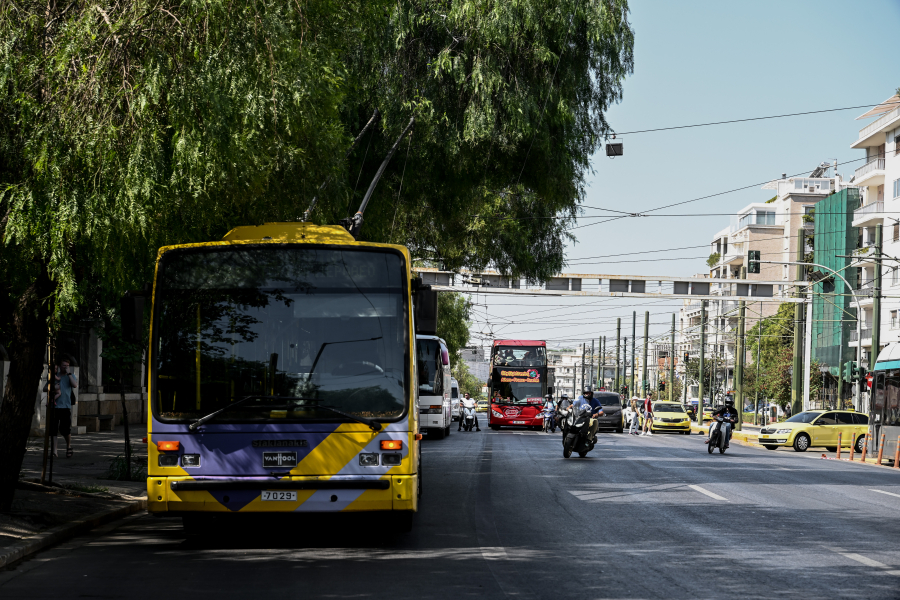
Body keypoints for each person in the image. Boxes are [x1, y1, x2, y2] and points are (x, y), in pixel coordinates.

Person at [46, 356, 77, 458]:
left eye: (67, 366)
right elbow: (46, 388)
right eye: (64, 365)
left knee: (65, 429)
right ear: (59, 366)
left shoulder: (71, 376)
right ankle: (54, 451)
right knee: (53, 429)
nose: (65, 367)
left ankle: (68, 446)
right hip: (54, 407)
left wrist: (68, 374)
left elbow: (74, 385)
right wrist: (52, 388)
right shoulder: (54, 375)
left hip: (65, 406)